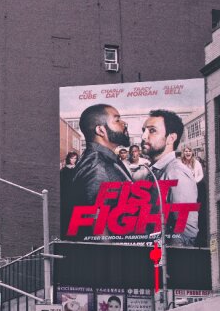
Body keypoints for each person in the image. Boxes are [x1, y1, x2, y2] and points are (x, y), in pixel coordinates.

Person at [66, 104, 133, 239]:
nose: (124, 123)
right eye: (117, 120)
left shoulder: (108, 159)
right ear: (101, 130)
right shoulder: (96, 167)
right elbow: (97, 227)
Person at [141, 109, 199, 246]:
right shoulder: (154, 169)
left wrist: (170, 263)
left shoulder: (176, 172)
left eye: (152, 131)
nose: (143, 136)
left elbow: (185, 232)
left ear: (171, 138)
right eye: (144, 130)